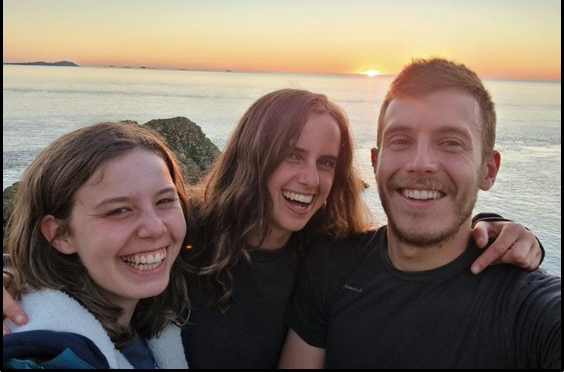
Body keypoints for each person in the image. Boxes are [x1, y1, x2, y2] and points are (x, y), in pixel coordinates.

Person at [3, 90, 544, 369]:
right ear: (253, 154)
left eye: (326, 162)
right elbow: (74, 266)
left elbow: (418, 252)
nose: (310, 178)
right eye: (291, 155)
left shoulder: (333, 256)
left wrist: (496, 228)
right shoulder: (182, 233)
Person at [278, 58, 561, 369]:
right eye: (401, 141)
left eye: (450, 143)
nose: (421, 163)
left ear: (488, 169)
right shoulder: (329, 268)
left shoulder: (527, 308)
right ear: (375, 161)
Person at [3, 122, 191, 369]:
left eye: (165, 200)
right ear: (60, 234)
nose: (156, 228)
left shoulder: (155, 319)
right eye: (119, 210)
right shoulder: (43, 356)